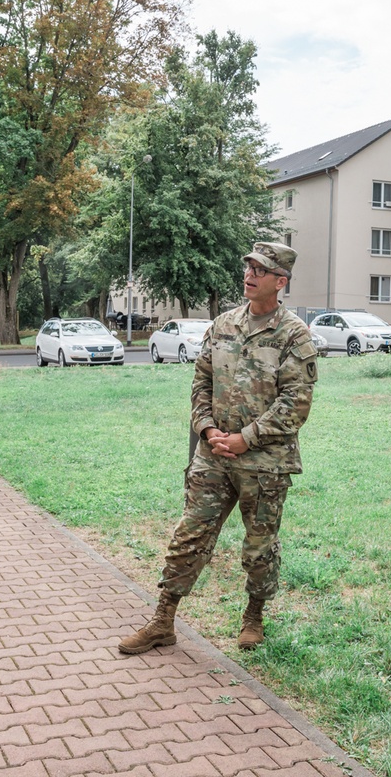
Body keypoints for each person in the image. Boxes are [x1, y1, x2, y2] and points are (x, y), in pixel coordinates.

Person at [119, 242, 317, 655]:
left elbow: (295, 403)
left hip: (264, 461)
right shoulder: (222, 325)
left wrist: (247, 438)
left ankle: (254, 617)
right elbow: (201, 382)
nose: (249, 275)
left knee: (259, 546)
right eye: (247, 267)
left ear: (280, 282)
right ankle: (163, 620)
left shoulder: (293, 334)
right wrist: (208, 430)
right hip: (213, 454)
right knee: (189, 535)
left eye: (260, 270)